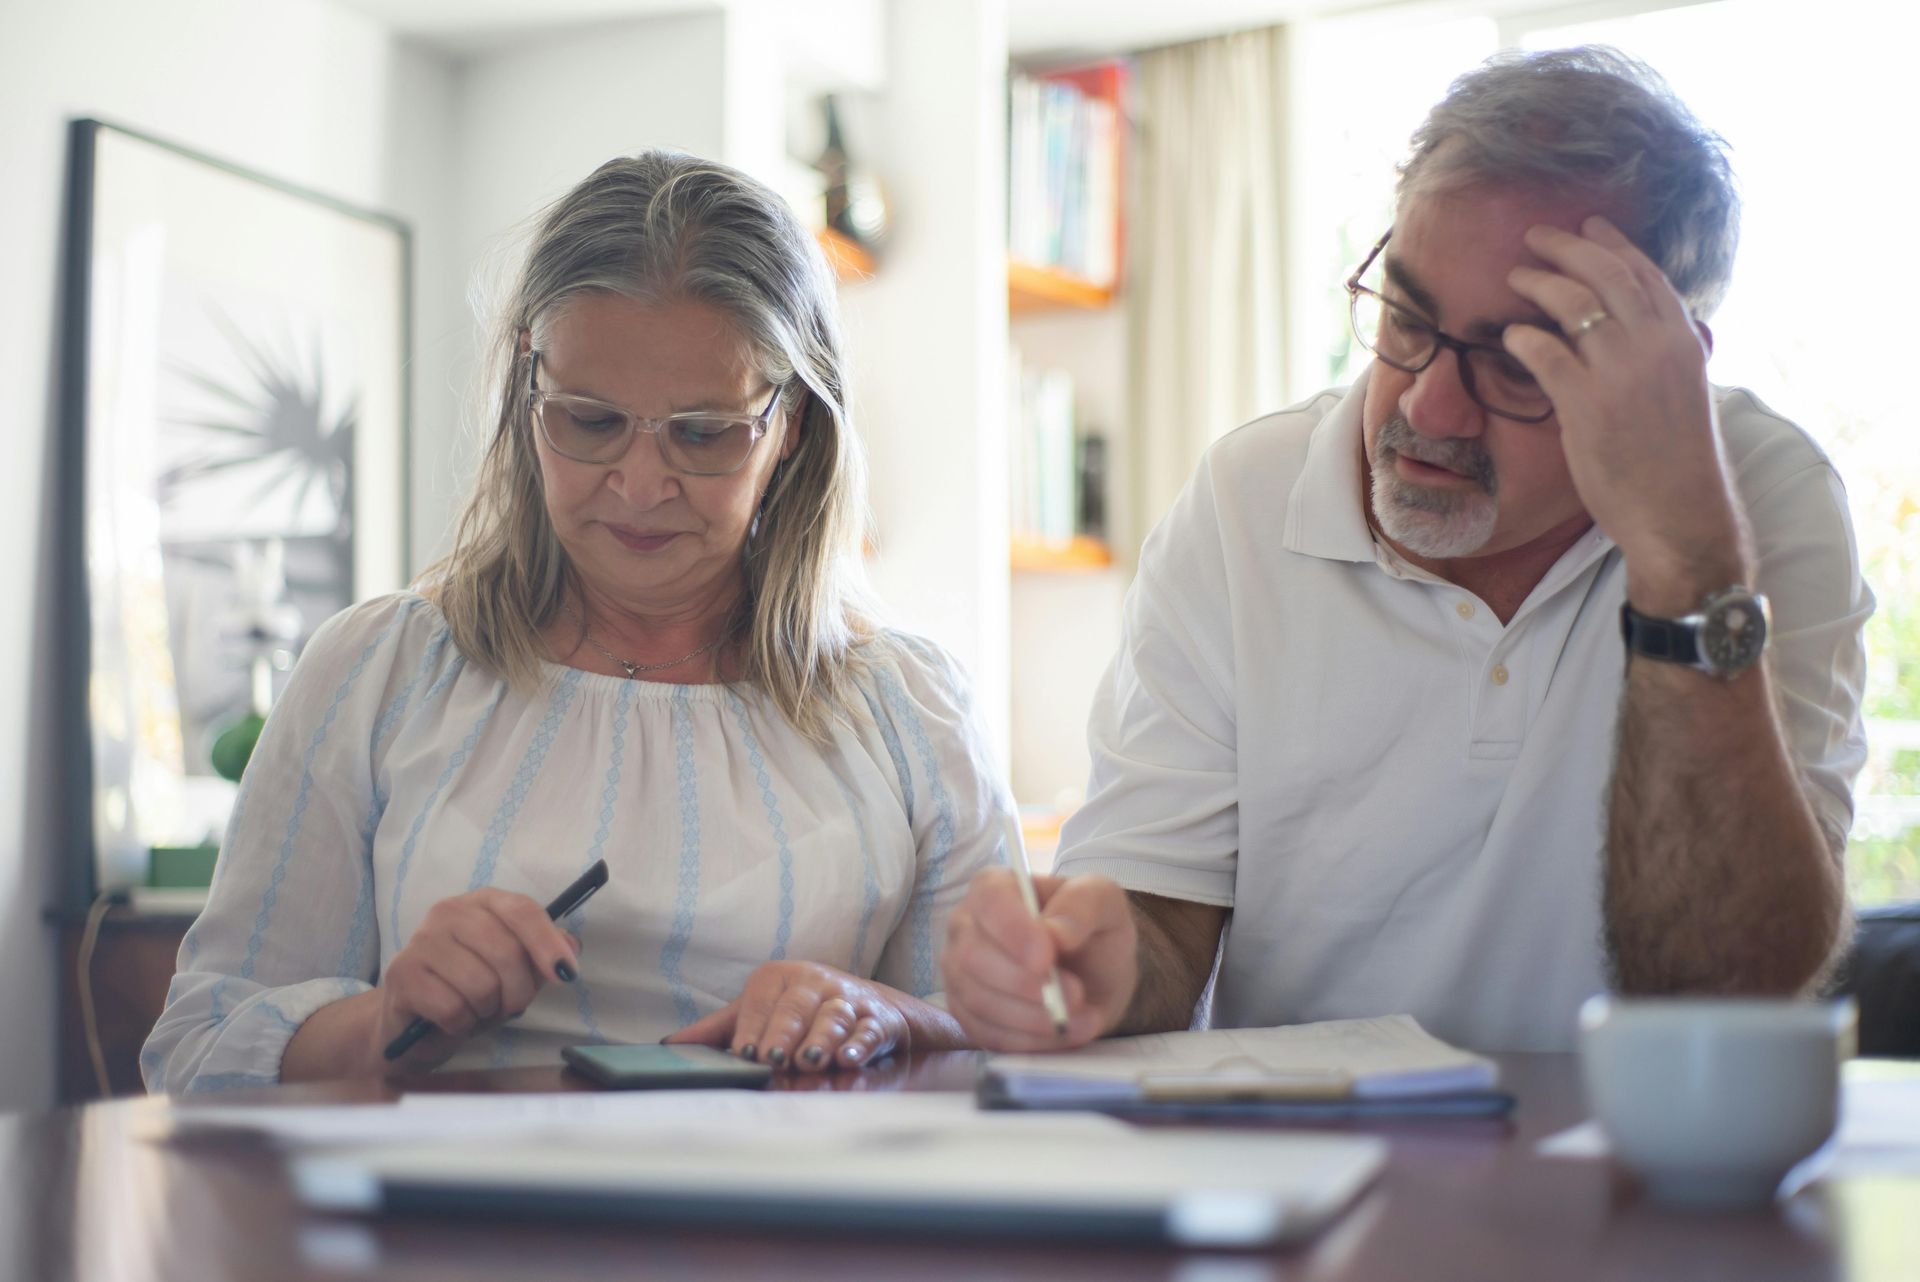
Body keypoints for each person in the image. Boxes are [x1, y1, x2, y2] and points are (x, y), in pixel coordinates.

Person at [942, 46, 1872, 1054]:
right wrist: (1100, 967)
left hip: (1634, 1168)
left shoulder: (1756, 498)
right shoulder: (1247, 497)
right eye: (1405, 317)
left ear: (1660, 366)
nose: (1428, 404)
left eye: (1518, 359)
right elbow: (1161, 920)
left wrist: (1686, 557)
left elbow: (1726, 981)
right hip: (1305, 1169)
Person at [143, 151, 1008, 1091]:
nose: (639, 486)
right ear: (527, 388)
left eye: (704, 433)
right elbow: (195, 1049)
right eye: (590, 422)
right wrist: (388, 1020)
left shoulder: (911, 711)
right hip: (450, 1228)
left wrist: (892, 1017)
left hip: (786, 1231)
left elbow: (1009, 1053)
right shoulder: (375, 673)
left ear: (791, 423)